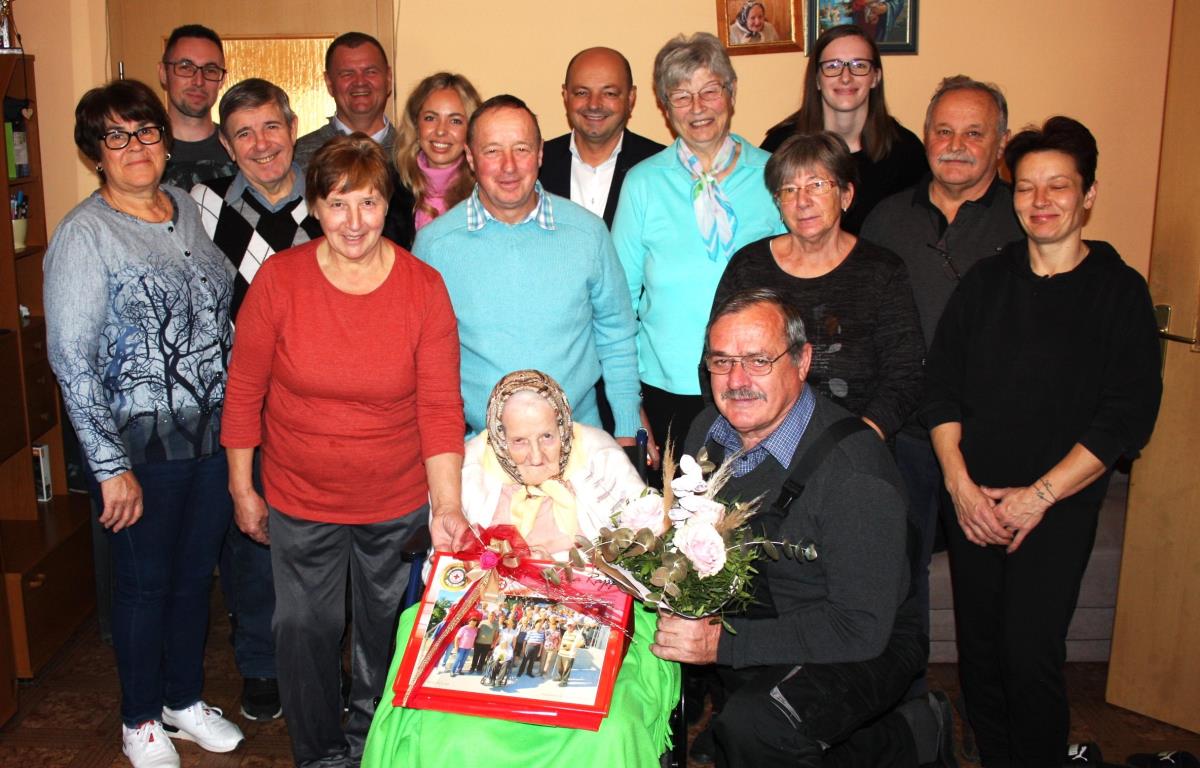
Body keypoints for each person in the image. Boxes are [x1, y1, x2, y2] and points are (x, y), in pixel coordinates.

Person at [220, 134, 468, 768]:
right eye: (337, 204)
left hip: (395, 500)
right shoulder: (280, 281)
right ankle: (320, 755)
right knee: (302, 630)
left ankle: (371, 747)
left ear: (388, 205)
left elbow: (439, 407)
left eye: (368, 202)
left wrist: (447, 506)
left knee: (383, 636)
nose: (354, 221)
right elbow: (244, 389)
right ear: (314, 208)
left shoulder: (423, 287)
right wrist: (243, 487)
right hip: (301, 497)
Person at [921, 117, 1161, 767]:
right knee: (980, 660)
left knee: (1030, 656)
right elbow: (940, 388)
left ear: (1088, 195)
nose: (1041, 200)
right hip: (974, 502)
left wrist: (1039, 497)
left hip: (1059, 506)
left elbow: (1126, 417)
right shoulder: (985, 283)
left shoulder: (1118, 291)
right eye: (1027, 187)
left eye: (1059, 186)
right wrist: (960, 487)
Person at [652, 288, 956, 767]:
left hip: (863, 635)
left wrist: (722, 644)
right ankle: (901, 738)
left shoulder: (854, 473)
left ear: (802, 361)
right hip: (771, 617)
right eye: (722, 361)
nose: (737, 380)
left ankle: (911, 733)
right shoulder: (707, 430)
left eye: (758, 361)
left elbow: (859, 627)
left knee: (758, 727)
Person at [45, 78, 243, 768]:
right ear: (95, 151)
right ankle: (139, 718)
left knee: (193, 579)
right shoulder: (85, 234)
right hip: (141, 445)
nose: (136, 146)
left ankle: (182, 701)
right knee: (144, 584)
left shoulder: (184, 208)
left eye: (147, 131)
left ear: (164, 139)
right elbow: (71, 359)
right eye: (117, 136)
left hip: (212, 437)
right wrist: (110, 468)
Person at [363, 369, 680, 768]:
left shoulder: (600, 457)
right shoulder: (471, 468)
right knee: (452, 732)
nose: (536, 456)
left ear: (563, 424)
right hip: (492, 625)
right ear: (499, 436)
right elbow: (440, 575)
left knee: (609, 731)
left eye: (547, 436)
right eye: (519, 441)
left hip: (596, 624)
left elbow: (648, 553)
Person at [861, 75, 1023, 682]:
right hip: (904, 435)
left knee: (992, 594)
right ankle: (906, 706)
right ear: (925, 135)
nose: (955, 145)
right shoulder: (887, 217)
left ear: (1001, 142)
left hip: (992, 439)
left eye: (974, 133)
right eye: (943, 131)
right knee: (899, 578)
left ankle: (990, 714)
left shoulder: (1023, 219)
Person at [189, 77, 321, 722]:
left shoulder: (330, 197)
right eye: (244, 133)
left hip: (322, 406)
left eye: (271, 127)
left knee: (322, 544)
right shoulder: (200, 205)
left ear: (293, 129)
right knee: (254, 540)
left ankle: (321, 660)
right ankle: (262, 664)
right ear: (226, 143)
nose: (261, 144)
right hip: (244, 403)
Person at [414, 96, 642, 445]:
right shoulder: (435, 246)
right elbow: (423, 361)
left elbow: (617, 334)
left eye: (521, 149)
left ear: (539, 154)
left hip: (580, 444)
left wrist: (628, 426)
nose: (509, 166)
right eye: (492, 151)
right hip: (480, 450)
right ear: (471, 158)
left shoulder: (588, 234)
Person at [612, 32, 783, 466]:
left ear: (731, 92)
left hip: (761, 386)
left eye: (709, 90)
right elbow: (617, 305)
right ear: (665, 108)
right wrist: (629, 407)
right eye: (681, 96)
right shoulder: (643, 184)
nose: (697, 107)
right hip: (667, 391)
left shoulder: (774, 176)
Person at [713, 131, 923, 442]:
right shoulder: (748, 266)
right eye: (789, 189)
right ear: (778, 203)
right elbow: (716, 360)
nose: (802, 201)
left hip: (855, 444)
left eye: (817, 185)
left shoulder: (882, 270)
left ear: (846, 196)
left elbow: (905, 374)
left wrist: (858, 443)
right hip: (758, 444)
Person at [761, 24, 926, 234]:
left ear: (875, 77)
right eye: (832, 66)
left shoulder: (906, 152)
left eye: (859, 65)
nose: (846, 77)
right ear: (817, 79)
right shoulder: (780, 146)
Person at [539, 47, 665, 229]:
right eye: (582, 92)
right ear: (565, 96)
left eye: (609, 93)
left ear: (631, 98)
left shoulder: (662, 167)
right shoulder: (534, 164)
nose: (594, 104)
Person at [383, 72, 482, 250]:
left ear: (471, 130)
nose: (441, 131)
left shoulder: (486, 192)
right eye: (430, 118)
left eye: (455, 121)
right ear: (416, 124)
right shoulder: (387, 188)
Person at [293, 32, 395, 171]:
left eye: (370, 72)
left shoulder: (416, 155)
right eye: (347, 74)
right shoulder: (296, 159)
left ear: (388, 79)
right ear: (329, 83)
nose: (360, 82)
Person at [158, 24, 235, 189]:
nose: (199, 81)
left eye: (210, 70)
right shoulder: (143, 151)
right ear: (163, 73)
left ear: (222, 80)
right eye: (186, 67)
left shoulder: (239, 150)